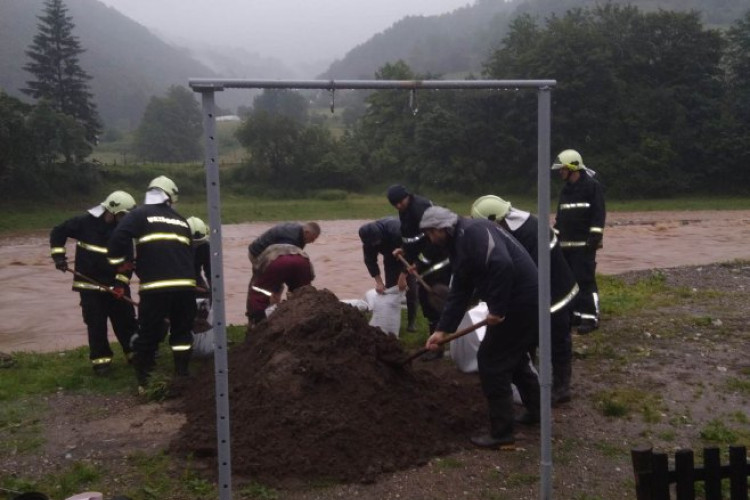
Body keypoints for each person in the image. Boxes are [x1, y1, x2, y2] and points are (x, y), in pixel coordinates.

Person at [420, 206, 541, 448]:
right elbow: (461, 291)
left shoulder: (473, 233)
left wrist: (497, 308)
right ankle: (537, 411)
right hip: (520, 300)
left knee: (491, 361)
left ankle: (503, 434)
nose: (430, 239)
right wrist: (442, 330)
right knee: (513, 358)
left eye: (430, 233)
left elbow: (503, 265)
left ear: (441, 229)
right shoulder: (460, 242)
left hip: (522, 301)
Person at [471, 195, 579, 406]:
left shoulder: (532, 232)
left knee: (557, 340)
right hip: (537, 295)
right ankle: (533, 386)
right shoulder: (511, 227)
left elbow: (526, 271)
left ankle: (561, 387)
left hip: (555, 293)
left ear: (495, 219)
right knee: (529, 338)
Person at [107, 176, 196, 390]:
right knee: (182, 332)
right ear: (170, 198)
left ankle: (146, 383)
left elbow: (118, 239)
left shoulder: (139, 214)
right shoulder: (182, 220)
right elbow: (188, 252)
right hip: (185, 286)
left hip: (156, 287)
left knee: (149, 333)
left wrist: (121, 263)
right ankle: (181, 375)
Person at [50, 191, 138, 375]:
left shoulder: (125, 232)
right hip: (89, 286)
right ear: (112, 210)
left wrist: (120, 285)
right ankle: (101, 362)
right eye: (122, 215)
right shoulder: (83, 223)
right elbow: (58, 231)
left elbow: (127, 263)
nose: (124, 220)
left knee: (126, 320)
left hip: (116, 286)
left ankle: (134, 354)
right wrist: (59, 256)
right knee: (96, 324)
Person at [387, 184, 451, 359]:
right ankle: (437, 341)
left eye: (400, 202)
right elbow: (411, 236)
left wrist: (418, 263)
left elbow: (433, 241)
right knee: (427, 301)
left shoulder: (420, 209)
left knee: (434, 301)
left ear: (407, 196)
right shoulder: (405, 210)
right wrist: (403, 249)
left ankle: (438, 348)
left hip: (438, 262)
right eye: (395, 205)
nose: (398, 206)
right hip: (425, 263)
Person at [552, 149, 606, 334]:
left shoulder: (592, 187)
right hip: (566, 246)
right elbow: (560, 218)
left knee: (585, 281)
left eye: (563, 169)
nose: (560, 172)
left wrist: (595, 237)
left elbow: (598, 215)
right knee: (570, 282)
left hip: (584, 246)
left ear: (572, 168)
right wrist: (555, 238)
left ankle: (590, 317)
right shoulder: (565, 190)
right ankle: (575, 314)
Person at [358, 217, 418, 332]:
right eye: (373, 244)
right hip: (389, 257)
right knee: (391, 289)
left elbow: (412, 251)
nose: (375, 245)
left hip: (407, 254)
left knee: (411, 289)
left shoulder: (396, 229)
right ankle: (391, 320)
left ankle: (412, 322)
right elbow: (370, 261)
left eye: (377, 242)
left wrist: (403, 276)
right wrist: (379, 282)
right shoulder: (368, 242)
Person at [246, 244, 315, 325]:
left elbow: (257, 286)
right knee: (303, 293)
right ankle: (307, 318)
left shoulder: (260, 262)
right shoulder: (280, 248)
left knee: (259, 292)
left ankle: (258, 321)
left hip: (277, 261)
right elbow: (311, 275)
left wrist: (252, 312)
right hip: (302, 260)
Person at [247, 221, 320, 270]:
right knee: (270, 281)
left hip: (260, 249)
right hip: (257, 254)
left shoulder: (300, 232)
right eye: (313, 238)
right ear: (307, 233)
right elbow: (282, 259)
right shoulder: (292, 240)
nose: (313, 241)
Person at [186, 216, 211, 295]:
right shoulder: (176, 247)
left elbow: (210, 272)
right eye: (193, 244)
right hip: (178, 281)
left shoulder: (205, 247)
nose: (196, 246)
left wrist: (213, 291)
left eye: (199, 243)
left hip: (196, 278)